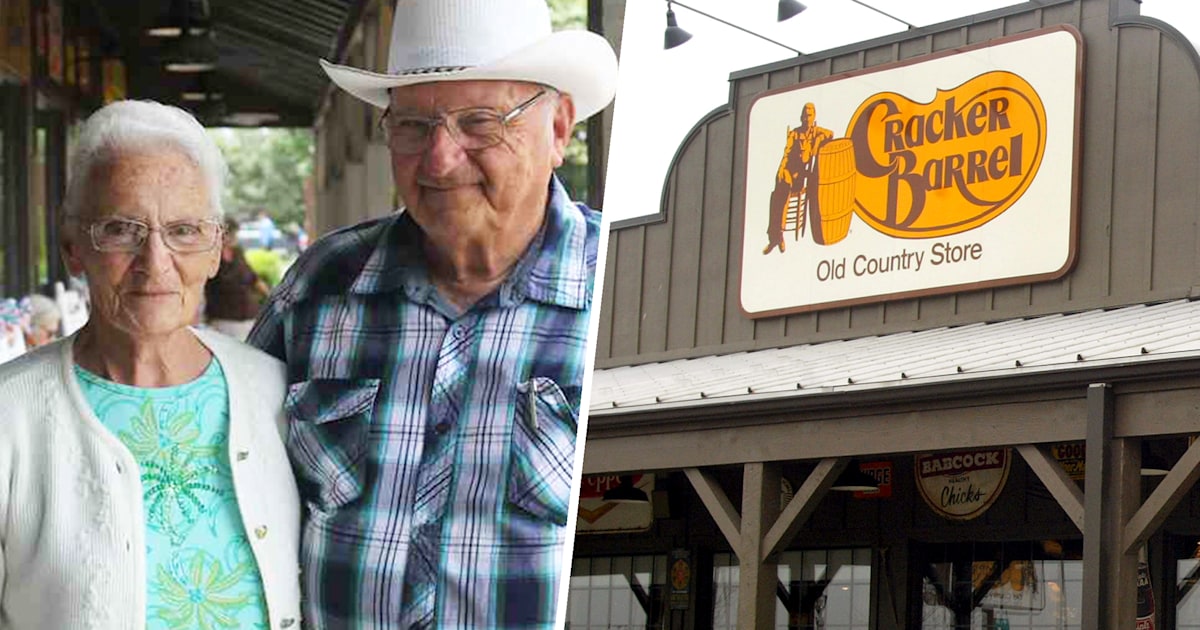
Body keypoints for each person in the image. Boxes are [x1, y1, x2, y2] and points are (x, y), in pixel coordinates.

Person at [247, 0, 617, 626]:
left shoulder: (619, 290)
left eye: (479, 123)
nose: (441, 160)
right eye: (414, 127)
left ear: (558, 129)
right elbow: (234, 484)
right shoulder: (320, 288)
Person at [0, 100, 301, 628]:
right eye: (122, 230)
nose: (155, 263)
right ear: (74, 248)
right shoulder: (11, 413)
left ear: (215, 251)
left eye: (184, 231)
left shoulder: (273, 390)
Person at [766, 102, 834, 253]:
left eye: (809, 115)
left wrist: (817, 141)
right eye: (805, 115)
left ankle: (776, 235)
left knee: (780, 192)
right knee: (779, 192)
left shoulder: (816, 132)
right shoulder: (795, 134)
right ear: (801, 117)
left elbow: (830, 133)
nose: (807, 118)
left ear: (814, 116)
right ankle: (777, 235)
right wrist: (781, 169)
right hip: (790, 171)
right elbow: (786, 153)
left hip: (803, 176)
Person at [205, 217, 270, 340]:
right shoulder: (210, 255)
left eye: (235, 233)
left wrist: (271, 298)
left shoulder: (238, 252)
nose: (234, 237)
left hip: (248, 317)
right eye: (231, 233)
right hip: (222, 319)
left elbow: (253, 278)